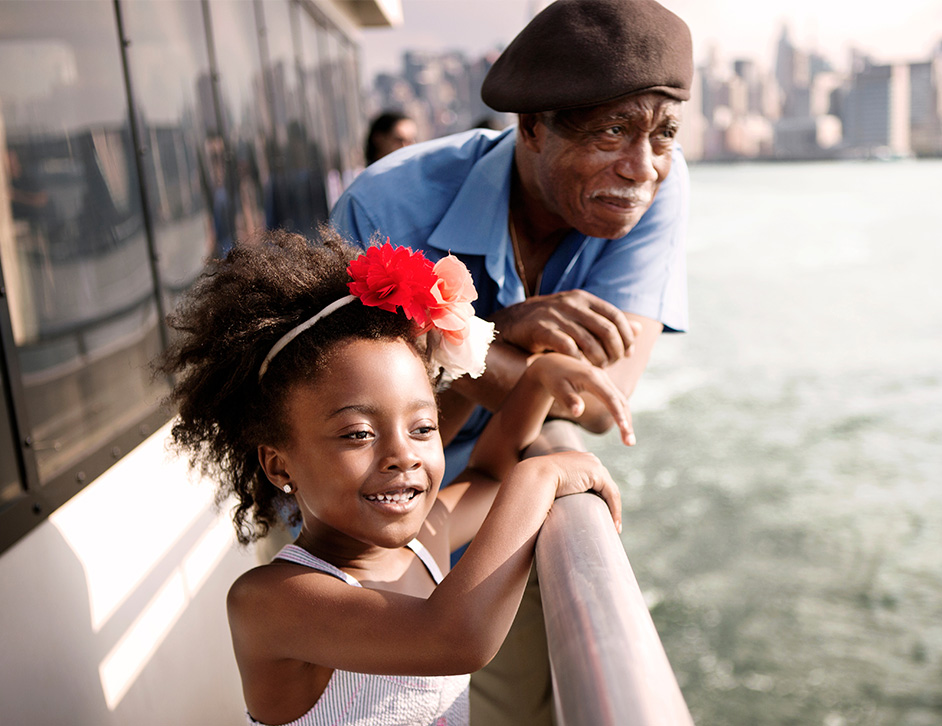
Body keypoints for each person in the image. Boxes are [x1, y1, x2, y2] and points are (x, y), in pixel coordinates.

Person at [330, 1, 693, 722]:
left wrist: (464, 346)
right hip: (361, 528)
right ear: (531, 127)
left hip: (493, 506)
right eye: (614, 129)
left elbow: (597, 403)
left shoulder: (656, 190)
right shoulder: (387, 207)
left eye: (665, 133)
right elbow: (355, 420)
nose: (643, 167)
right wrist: (506, 335)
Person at [156, 228, 633, 726]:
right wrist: (541, 475)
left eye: (423, 427)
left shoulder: (426, 542)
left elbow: (490, 473)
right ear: (280, 465)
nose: (403, 455)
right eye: (359, 434)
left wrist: (535, 381)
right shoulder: (273, 600)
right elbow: (455, 638)